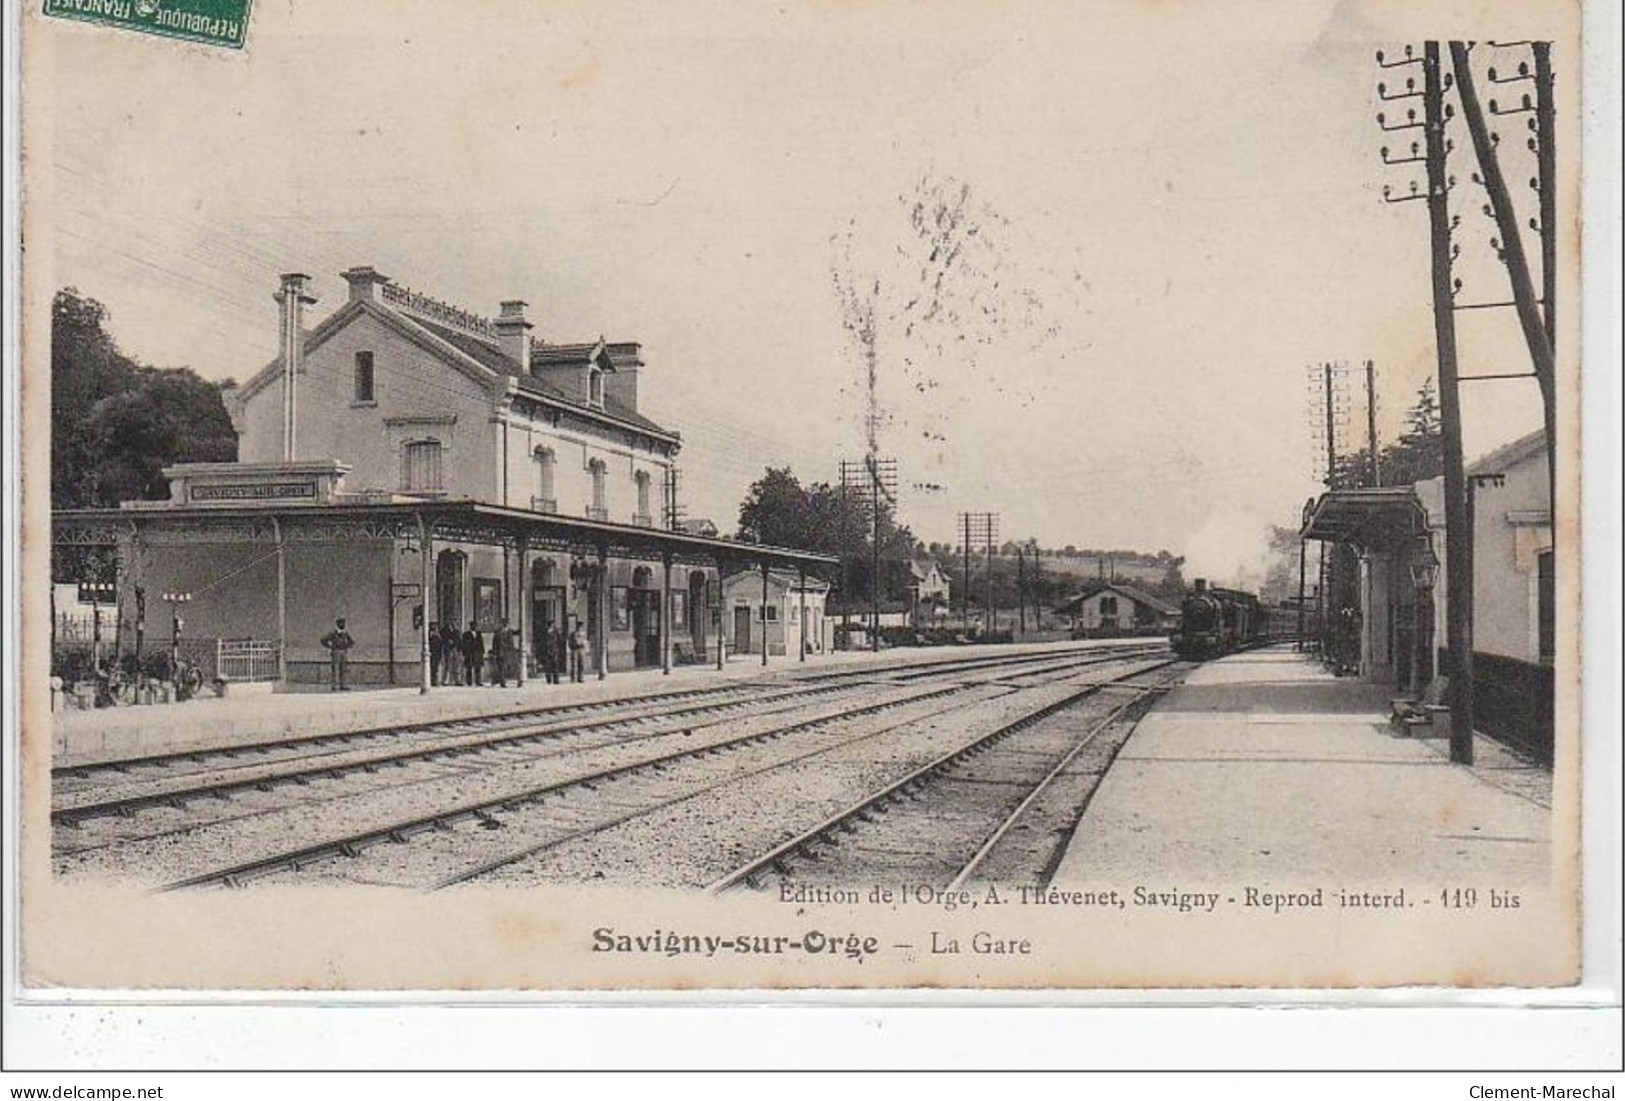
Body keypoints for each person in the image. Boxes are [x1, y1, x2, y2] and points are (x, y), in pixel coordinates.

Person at [320, 617, 355, 691]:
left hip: (343, 652)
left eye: (343, 623)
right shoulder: (333, 633)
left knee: (343, 669)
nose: (342, 624)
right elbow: (323, 640)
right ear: (338, 624)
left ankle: (343, 685)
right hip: (336, 651)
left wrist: (347, 646)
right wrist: (330, 646)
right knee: (335, 669)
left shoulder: (345, 633)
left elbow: (352, 641)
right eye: (341, 623)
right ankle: (334, 685)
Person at [462, 621, 485, 686]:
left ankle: (478, 681)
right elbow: (464, 644)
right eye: (473, 626)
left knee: (478, 668)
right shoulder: (466, 634)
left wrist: (482, 652)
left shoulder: (479, 634)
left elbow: (481, 643)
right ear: (470, 626)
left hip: (477, 653)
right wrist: (465, 653)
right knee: (469, 667)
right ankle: (469, 682)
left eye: (475, 626)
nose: (474, 627)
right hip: (469, 653)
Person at [492, 618, 514, 687]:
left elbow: (511, 643)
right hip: (499, 652)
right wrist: (494, 651)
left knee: (504, 668)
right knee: (501, 667)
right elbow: (494, 642)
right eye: (503, 623)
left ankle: (497, 680)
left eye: (506, 623)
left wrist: (511, 651)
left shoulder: (509, 632)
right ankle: (502, 682)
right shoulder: (498, 632)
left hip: (506, 652)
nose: (504, 624)